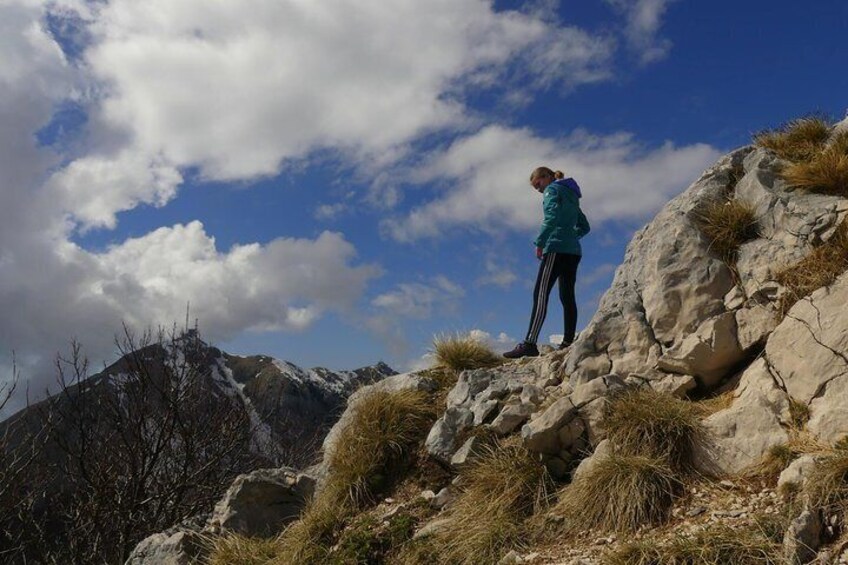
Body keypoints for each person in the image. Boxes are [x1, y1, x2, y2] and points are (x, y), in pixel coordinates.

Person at [503, 167, 590, 358]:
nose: (539, 190)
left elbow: (551, 217)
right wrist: (571, 237)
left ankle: (530, 343)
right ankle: (568, 341)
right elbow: (585, 226)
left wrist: (541, 243)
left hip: (555, 249)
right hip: (573, 251)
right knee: (567, 296)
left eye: (538, 185)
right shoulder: (572, 195)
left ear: (547, 177)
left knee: (540, 294)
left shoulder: (552, 190)